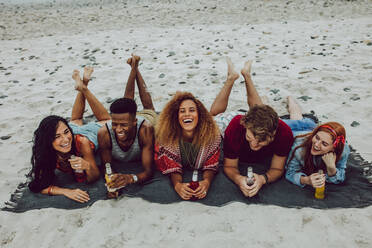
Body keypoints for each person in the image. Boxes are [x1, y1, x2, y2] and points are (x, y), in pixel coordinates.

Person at [210, 58, 294, 198]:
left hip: (261, 122)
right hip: (229, 122)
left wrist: (263, 179)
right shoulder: (237, 126)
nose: (254, 145)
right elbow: (230, 166)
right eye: (250, 138)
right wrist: (238, 179)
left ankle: (246, 75)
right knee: (211, 116)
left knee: (260, 109)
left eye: (261, 141)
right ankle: (231, 78)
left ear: (273, 134)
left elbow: (277, 168)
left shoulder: (284, 133)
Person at [29, 67, 111, 203]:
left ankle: (84, 86)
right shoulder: (45, 153)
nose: (65, 139)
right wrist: (65, 191)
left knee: (106, 121)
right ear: (47, 140)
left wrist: (87, 166)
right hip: (73, 129)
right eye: (57, 136)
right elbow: (37, 186)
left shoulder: (81, 142)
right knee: (76, 120)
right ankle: (83, 82)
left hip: (87, 136)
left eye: (65, 132)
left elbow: (95, 175)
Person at [98, 55, 156, 190]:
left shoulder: (145, 130)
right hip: (129, 116)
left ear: (134, 122)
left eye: (123, 125)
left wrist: (130, 178)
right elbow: (107, 167)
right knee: (127, 102)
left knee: (149, 107)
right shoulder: (104, 133)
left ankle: (136, 68)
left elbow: (149, 171)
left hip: (148, 118)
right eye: (115, 124)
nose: (118, 129)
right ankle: (133, 67)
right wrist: (112, 180)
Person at [154, 92, 222, 200]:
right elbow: (172, 166)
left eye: (192, 110)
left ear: (199, 115)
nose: (187, 114)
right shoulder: (167, 138)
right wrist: (177, 185)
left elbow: (211, 164)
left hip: (221, 122)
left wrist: (206, 182)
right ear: (175, 116)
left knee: (218, 115)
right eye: (182, 111)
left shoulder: (212, 136)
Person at [284, 96, 350, 188]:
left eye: (324, 144)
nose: (316, 144)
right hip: (293, 130)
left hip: (308, 128)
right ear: (315, 133)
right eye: (317, 137)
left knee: (296, 115)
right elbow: (290, 173)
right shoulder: (299, 147)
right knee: (273, 121)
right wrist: (306, 180)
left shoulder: (343, 150)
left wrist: (331, 169)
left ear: (334, 147)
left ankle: (291, 99)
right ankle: (290, 99)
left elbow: (340, 175)